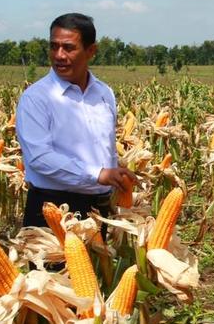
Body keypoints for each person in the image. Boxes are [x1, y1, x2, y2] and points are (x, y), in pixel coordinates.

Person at [16, 13, 136, 228]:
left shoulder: (104, 93)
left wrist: (115, 174)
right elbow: (40, 158)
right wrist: (98, 174)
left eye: (68, 48)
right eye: (54, 47)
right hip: (52, 209)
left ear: (91, 51)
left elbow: (103, 148)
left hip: (99, 208)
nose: (59, 55)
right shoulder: (36, 98)